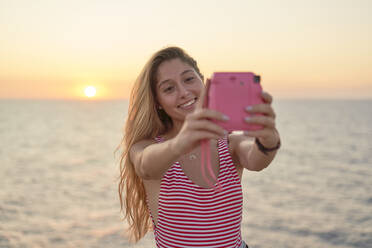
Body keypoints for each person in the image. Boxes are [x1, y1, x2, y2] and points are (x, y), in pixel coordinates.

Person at [118, 46, 281, 248]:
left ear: (202, 81)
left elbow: (256, 159)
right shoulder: (149, 147)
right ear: (158, 102)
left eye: (188, 79)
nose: (184, 92)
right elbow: (144, 165)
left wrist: (269, 139)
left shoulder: (229, 143)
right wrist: (180, 142)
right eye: (169, 88)